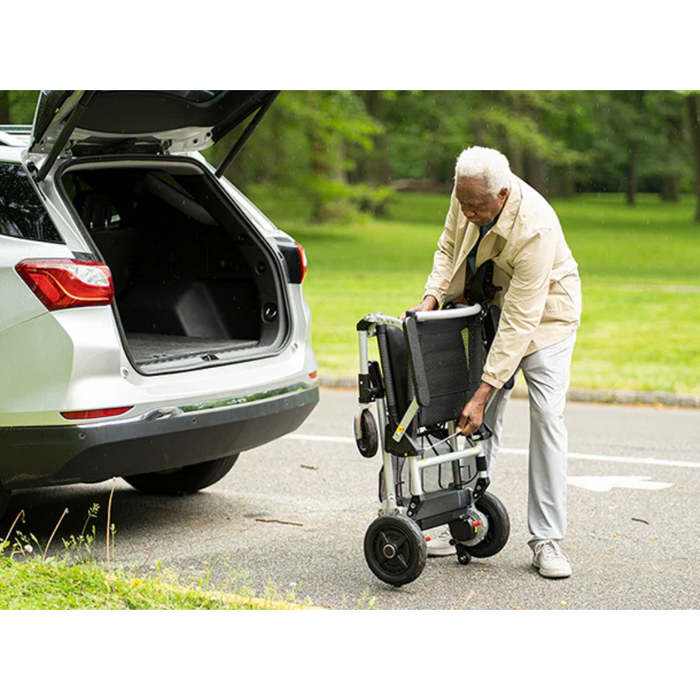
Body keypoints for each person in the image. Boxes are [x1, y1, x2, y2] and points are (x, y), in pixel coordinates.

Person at [405, 146, 582, 578]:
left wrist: (485, 389)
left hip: (547, 317)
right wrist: (431, 298)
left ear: (502, 194)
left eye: (476, 206)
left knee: (546, 416)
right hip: (494, 305)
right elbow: (448, 247)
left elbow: (522, 322)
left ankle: (547, 540)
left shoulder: (535, 227)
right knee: (475, 419)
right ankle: (461, 518)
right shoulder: (468, 191)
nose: (467, 211)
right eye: (462, 201)